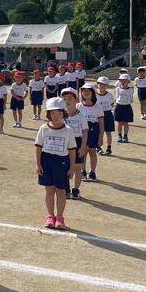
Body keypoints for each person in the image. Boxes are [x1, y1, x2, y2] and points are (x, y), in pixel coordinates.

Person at [35, 97, 76, 230]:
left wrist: (72, 167)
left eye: (59, 113)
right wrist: (38, 164)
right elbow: (38, 147)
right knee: (49, 190)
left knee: (61, 190)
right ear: (48, 114)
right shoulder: (43, 128)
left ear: (64, 113)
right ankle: (50, 216)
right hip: (46, 161)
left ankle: (59, 217)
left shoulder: (68, 130)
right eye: (52, 113)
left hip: (62, 163)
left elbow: (72, 150)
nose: (56, 116)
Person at [61, 88, 87, 200]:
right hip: (65, 143)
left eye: (70, 98)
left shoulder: (81, 116)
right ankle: (66, 189)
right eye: (64, 99)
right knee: (64, 167)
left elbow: (85, 132)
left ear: (76, 100)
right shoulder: (61, 115)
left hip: (77, 142)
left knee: (77, 168)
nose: (67, 101)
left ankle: (75, 190)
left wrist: (83, 147)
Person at [78, 84, 103, 182]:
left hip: (93, 131)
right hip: (81, 131)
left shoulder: (98, 107)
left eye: (88, 91)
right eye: (84, 91)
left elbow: (101, 123)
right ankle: (83, 171)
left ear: (93, 93)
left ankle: (92, 171)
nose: (86, 93)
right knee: (83, 151)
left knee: (92, 151)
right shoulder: (78, 106)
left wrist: (101, 137)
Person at [95, 77, 115, 155]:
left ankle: (109, 148)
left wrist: (107, 110)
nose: (102, 86)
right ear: (97, 84)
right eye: (100, 84)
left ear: (107, 86)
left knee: (108, 132)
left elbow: (112, 104)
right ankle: (98, 147)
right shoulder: (95, 95)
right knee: (99, 132)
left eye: (104, 84)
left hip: (107, 115)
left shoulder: (110, 95)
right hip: (98, 115)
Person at [114, 73, 134, 143]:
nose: (123, 82)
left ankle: (125, 136)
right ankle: (119, 135)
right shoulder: (117, 89)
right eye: (121, 80)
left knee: (126, 123)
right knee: (119, 123)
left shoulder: (130, 89)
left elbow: (131, 98)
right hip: (119, 106)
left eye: (125, 80)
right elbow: (116, 97)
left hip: (127, 107)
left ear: (128, 82)